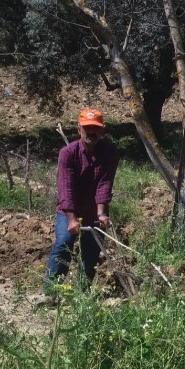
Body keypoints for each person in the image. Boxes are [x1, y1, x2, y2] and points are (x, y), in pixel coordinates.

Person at [43, 108, 120, 292]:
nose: (91, 132)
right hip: (69, 209)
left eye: (95, 128)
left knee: (91, 250)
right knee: (64, 242)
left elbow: (105, 183)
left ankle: (81, 293)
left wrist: (101, 213)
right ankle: (51, 291)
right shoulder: (68, 153)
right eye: (87, 128)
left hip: (95, 210)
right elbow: (65, 187)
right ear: (79, 130)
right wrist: (71, 219)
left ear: (102, 130)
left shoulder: (110, 152)